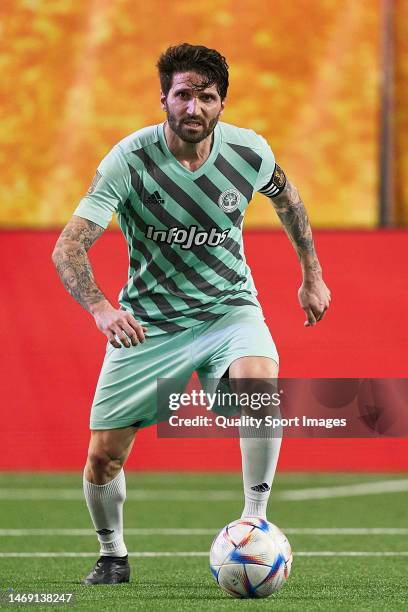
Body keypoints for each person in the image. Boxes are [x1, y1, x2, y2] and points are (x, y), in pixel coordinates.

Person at [52, 43, 330, 585]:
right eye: (184, 95)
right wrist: (102, 309)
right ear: (165, 99)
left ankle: (254, 521)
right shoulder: (128, 161)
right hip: (149, 324)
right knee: (104, 458)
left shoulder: (249, 153)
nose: (195, 107)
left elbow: (289, 202)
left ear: (222, 104)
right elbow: (68, 247)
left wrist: (312, 275)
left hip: (228, 309)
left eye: (207, 97)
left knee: (258, 384)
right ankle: (112, 554)